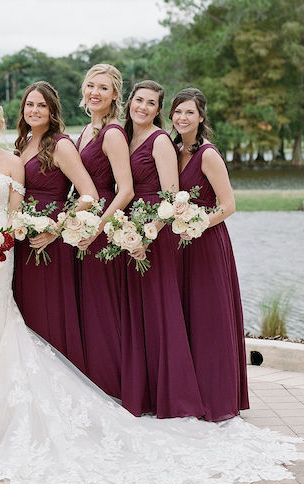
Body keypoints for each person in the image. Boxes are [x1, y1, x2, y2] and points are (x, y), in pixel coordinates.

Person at [0, 96, 304, 484]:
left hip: (6, 252)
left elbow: (34, 206)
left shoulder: (21, 158)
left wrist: (41, 231)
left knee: (1, 318)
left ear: (0, 122)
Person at [120, 80, 204, 419]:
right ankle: (145, 393)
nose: (142, 107)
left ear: (158, 110)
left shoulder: (160, 142)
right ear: (130, 103)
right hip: (130, 229)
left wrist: (149, 233)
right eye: (138, 100)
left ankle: (174, 396)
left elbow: (171, 196)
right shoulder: (126, 136)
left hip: (155, 232)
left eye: (150, 103)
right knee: (138, 314)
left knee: (159, 311)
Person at [170, 88, 249, 421]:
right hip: (178, 246)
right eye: (177, 112)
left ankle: (218, 398)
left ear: (201, 117)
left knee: (210, 318)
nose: (183, 118)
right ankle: (190, 394)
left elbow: (229, 205)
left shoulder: (207, 154)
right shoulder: (172, 151)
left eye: (190, 113)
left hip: (207, 244)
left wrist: (200, 223)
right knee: (185, 316)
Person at [13, 81, 96, 370]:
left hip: (52, 241)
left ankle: (61, 376)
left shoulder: (60, 144)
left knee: (50, 310)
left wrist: (54, 229)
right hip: (23, 240)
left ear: (52, 111)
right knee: (28, 310)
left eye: (41, 105)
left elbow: (89, 195)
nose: (34, 110)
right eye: (30, 104)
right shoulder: (22, 145)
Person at [76, 64, 134, 399]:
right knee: (90, 306)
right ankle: (92, 381)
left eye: (103, 88)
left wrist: (98, 229)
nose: (94, 92)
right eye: (90, 86)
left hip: (103, 227)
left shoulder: (112, 133)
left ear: (114, 96)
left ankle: (112, 386)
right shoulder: (85, 131)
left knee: (103, 307)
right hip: (84, 225)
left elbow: (125, 189)